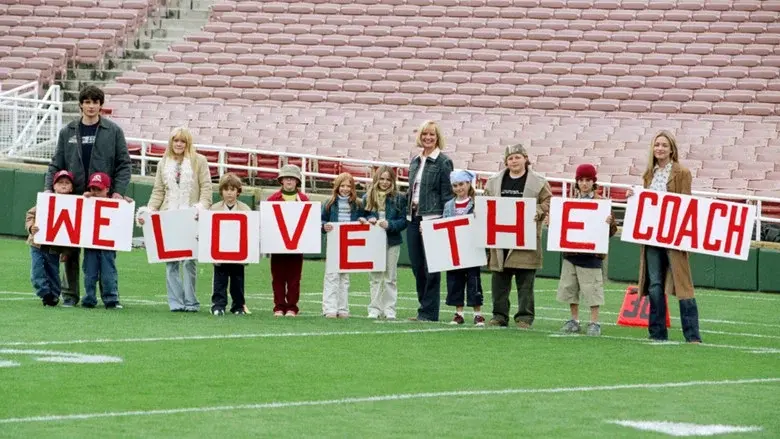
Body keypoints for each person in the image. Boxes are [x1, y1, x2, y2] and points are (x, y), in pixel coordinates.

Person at [44, 85, 131, 307]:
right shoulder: (68, 131)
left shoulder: (113, 131)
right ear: (81, 104)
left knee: (104, 252)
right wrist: (48, 190)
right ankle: (70, 295)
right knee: (69, 251)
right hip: (72, 199)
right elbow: (56, 163)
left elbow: (124, 164)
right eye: (87, 102)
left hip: (102, 200)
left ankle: (110, 297)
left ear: (101, 105)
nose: (91, 106)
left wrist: (118, 192)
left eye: (95, 102)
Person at [626, 131, 701, 343]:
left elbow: (686, 203)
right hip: (651, 237)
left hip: (674, 236)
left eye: (664, 145)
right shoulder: (649, 174)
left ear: (671, 149)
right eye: (657, 145)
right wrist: (634, 196)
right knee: (655, 285)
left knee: (683, 284)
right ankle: (657, 332)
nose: (660, 148)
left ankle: (692, 334)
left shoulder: (682, 172)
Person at [136, 127, 212, 312]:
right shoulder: (163, 162)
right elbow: (158, 191)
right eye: (175, 140)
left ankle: (191, 302)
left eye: (182, 141)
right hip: (168, 216)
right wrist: (150, 209)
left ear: (188, 143)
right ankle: (176, 303)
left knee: (189, 262)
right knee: (171, 263)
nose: (178, 144)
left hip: (190, 216)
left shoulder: (199, 161)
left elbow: (206, 189)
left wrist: (200, 208)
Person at [484, 144, 552, 329]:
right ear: (506, 161)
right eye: (511, 158)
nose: (514, 161)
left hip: (525, 236)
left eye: (517, 157)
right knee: (499, 282)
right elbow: (486, 202)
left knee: (525, 282)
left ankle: (524, 317)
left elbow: (548, 201)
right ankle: (499, 316)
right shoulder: (494, 181)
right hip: (500, 237)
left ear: (525, 158)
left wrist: (537, 211)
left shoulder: (538, 181)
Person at [556, 164, 617, 336]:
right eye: (581, 180)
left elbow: (611, 232)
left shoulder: (601, 204)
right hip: (571, 253)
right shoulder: (569, 202)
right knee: (570, 288)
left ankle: (594, 321)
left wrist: (609, 222)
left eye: (588, 180)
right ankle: (574, 319)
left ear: (593, 182)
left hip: (591, 255)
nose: (584, 183)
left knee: (592, 289)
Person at [406, 120, 454, 322]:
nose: (428, 138)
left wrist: (443, 221)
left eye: (432, 135)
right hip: (413, 217)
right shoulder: (415, 160)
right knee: (417, 266)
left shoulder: (443, 162)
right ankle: (422, 306)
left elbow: (447, 194)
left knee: (431, 268)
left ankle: (429, 311)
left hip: (432, 218)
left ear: (437, 138)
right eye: (425, 134)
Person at [359, 166, 408, 320]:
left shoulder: (399, 198)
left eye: (388, 179)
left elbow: (403, 221)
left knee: (390, 276)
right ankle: (374, 308)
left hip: (392, 241)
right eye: (382, 178)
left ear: (393, 181)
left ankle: (389, 309)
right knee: (375, 276)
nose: (385, 182)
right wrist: (367, 220)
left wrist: (390, 225)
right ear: (376, 179)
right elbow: (362, 216)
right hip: (374, 242)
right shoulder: (367, 197)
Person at [26, 170, 75, 307]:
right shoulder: (45, 201)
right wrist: (31, 227)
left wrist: (67, 251)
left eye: (67, 183)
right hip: (37, 244)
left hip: (55, 247)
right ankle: (45, 293)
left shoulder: (73, 205)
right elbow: (30, 214)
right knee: (37, 271)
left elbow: (72, 233)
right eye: (60, 183)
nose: (63, 186)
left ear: (72, 187)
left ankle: (54, 295)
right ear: (54, 186)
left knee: (53, 271)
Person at [442, 169, 485, 326]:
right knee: (455, 281)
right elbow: (444, 224)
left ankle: (478, 314)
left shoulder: (478, 203)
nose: (458, 188)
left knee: (474, 280)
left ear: (468, 184)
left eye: (461, 184)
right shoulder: (448, 205)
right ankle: (458, 313)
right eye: (455, 185)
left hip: (472, 248)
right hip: (455, 250)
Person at [266, 164, 309, 317]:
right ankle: (278, 306)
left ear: (297, 181)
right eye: (286, 178)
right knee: (277, 277)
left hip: (296, 245)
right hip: (277, 245)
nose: (289, 181)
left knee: (294, 278)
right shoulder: (272, 200)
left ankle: (292, 306)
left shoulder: (304, 200)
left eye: (292, 178)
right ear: (281, 180)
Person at [321, 172, 363, 319]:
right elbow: (321, 220)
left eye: (348, 186)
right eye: (342, 186)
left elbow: (365, 217)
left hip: (349, 243)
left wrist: (363, 220)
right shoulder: (329, 203)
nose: (345, 189)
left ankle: (343, 307)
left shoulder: (358, 204)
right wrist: (324, 226)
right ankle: (329, 308)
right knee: (331, 275)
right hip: (333, 242)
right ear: (337, 187)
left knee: (344, 277)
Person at [209, 173, 251, 316]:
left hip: (238, 253)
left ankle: (238, 306)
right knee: (220, 280)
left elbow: (250, 232)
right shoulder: (214, 209)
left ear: (238, 191)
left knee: (237, 280)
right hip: (220, 252)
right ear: (221, 191)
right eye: (226, 189)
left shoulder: (245, 209)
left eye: (233, 190)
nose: (229, 193)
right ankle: (218, 305)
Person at [82, 172, 122, 309]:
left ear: (107, 189)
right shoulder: (87, 201)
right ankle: (89, 298)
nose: (95, 192)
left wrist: (125, 201)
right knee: (89, 273)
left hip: (107, 244)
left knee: (108, 273)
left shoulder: (114, 202)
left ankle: (111, 299)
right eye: (93, 189)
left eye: (99, 189)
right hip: (90, 243)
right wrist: (84, 199)